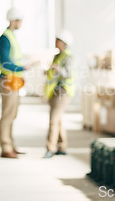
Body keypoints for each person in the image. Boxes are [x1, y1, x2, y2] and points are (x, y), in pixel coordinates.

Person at [0, 8, 30, 159]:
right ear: (14, 20)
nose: (21, 23)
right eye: (20, 20)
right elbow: (5, 62)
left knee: (12, 114)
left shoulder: (11, 37)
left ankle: (11, 145)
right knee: (7, 115)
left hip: (14, 82)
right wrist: (22, 68)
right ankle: (6, 147)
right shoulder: (5, 38)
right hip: (7, 81)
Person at [43, 29, 75, 159]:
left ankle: (50, 148)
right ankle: (62, 147)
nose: (56, 42)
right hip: (54, 91)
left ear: (64, 42)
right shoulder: (57, 56)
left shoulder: (68, 56)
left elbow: (68, 73)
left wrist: (57, 69)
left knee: (53, 120)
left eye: (58, 40)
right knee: (58, 120)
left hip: (63, 91)